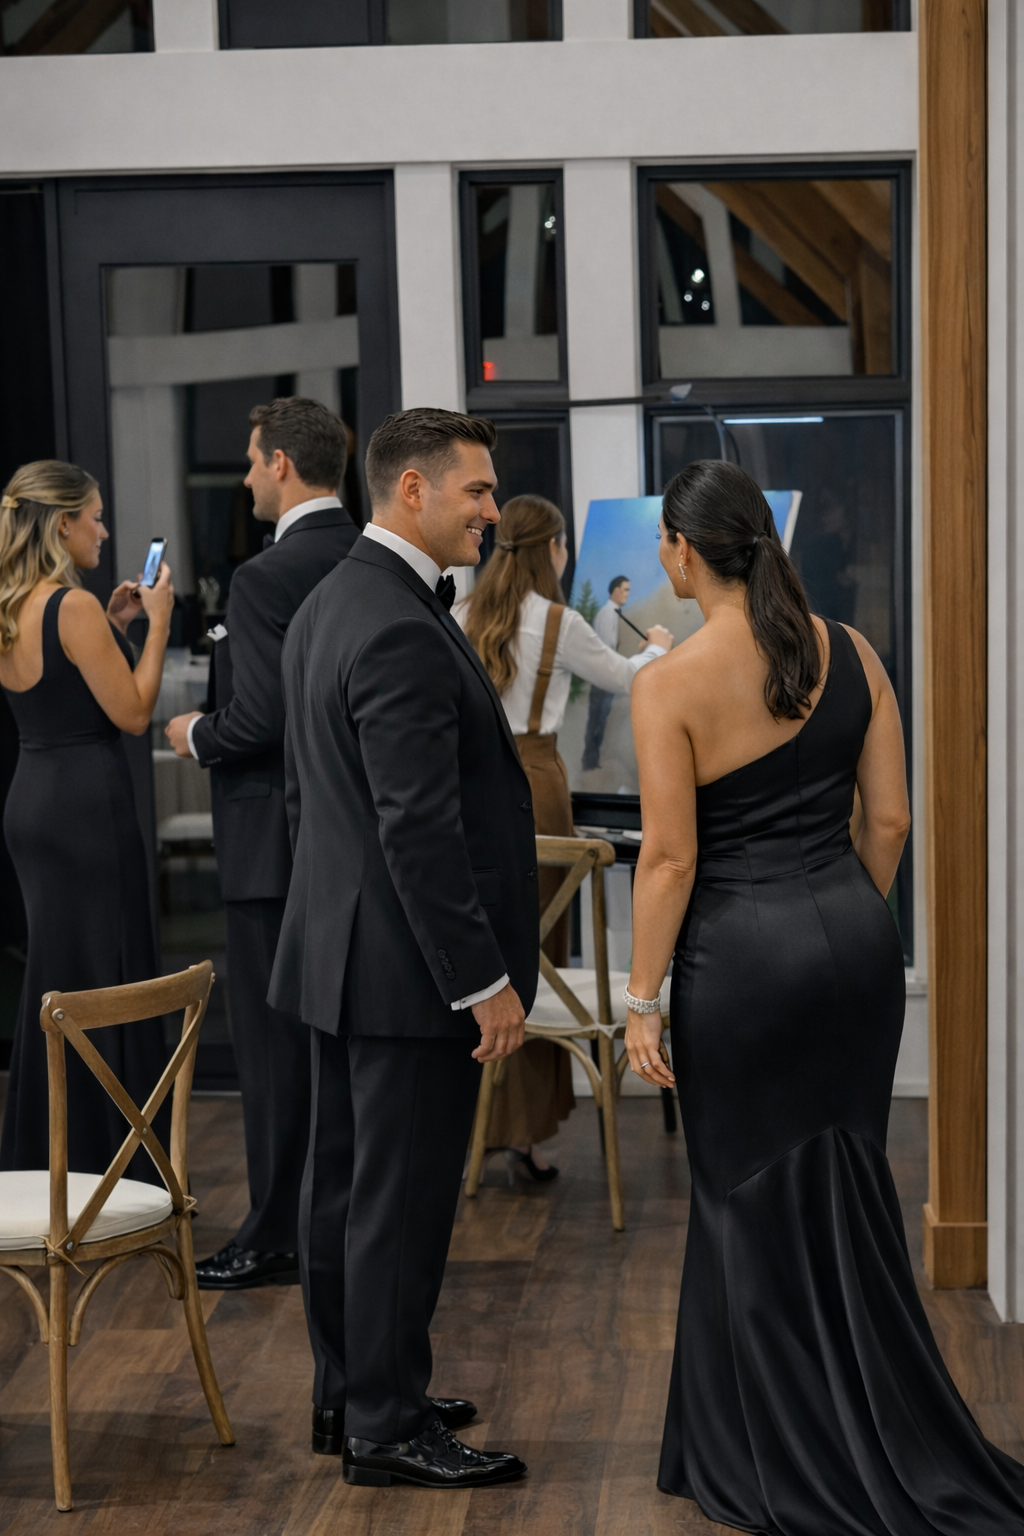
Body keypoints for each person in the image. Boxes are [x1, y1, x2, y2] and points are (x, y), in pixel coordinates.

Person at [624, 459, 1024, 1534]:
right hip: (855, 943)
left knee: (739, 1201)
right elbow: (886, 824)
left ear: (680, 551)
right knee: (847, 1195)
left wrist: (639, 999)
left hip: (738, 962)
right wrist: (839, 917)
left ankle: (769, 1454)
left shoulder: (665, 683)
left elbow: (666, 861)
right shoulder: (849, 649)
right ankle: (851, 1426)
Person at [268, 408, 536, 1489]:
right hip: (408, 970)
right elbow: (416, 829)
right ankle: (385, 1427)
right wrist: (481, 982)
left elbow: (312, 802)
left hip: (340, 954)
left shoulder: (333, 602)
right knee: (399, 1201)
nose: (492, 512)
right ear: (410, 492)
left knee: (343, 1192)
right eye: (476, 491)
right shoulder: (387, 620)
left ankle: (354, 1391)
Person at [165, 397, 358, 1292]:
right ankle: (332, 1221)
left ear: (284, 465)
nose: (243, 476)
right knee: (335, 1053)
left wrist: (196, 733)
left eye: (250, 460)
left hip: (268, 847)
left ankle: (276, 1230)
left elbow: (268, 714)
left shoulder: (264, 578)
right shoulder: (365, 557)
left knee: (275, 1057)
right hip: (345, 840)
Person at [458, 498, 670, 1180]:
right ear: (551, 548)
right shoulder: (559, 622)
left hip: (467, 787)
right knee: (534, 951)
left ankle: (476, 1125)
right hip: (536, 786)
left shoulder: (462, 614)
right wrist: (657, 652)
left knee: (476, 946)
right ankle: (521, 1131)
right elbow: (626, 678)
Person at [0, 460, 174, 1179]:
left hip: (33, 800)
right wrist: (158, 626)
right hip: (87, 808)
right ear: (63, 522)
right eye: (96, 517)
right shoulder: (68, 605)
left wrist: (113, 624)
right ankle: (119, 1168)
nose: (104, 530)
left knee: (59, 976)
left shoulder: (16, 604)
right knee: (107, 977)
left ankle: (52, 1161)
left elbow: (60, 692)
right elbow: (132, 713)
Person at [581, 574, 631, 770]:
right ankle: (590, 764)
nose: (627, 594)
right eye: (625, 589)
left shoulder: (613, 613)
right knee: (597, 720)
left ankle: (593, 762)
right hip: (603, 678)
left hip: (606, 676)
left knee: (601, 719)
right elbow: (604, 649)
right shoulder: (607, 614)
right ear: (616, 591)